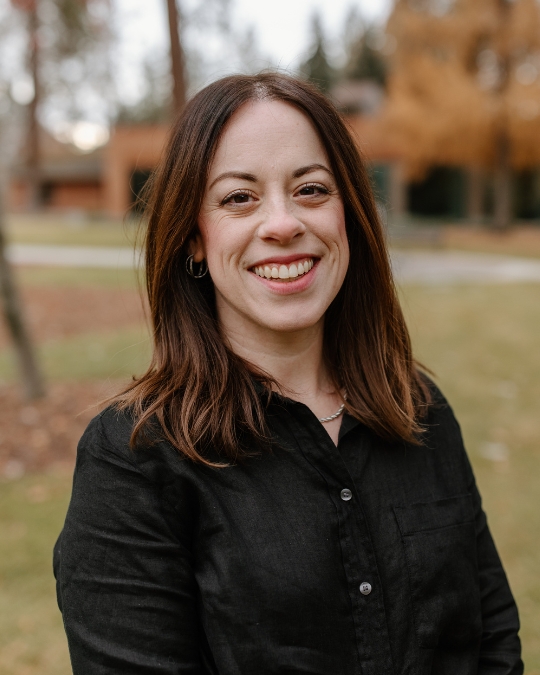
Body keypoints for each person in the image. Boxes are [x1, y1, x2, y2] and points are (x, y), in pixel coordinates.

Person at [53, 73, 523, 675]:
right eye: (238, 198)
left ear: (348, 214)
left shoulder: (420, 410)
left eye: (310, 190)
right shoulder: (135, 461)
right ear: (195, 238)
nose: (281, 223)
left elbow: (493, 645)